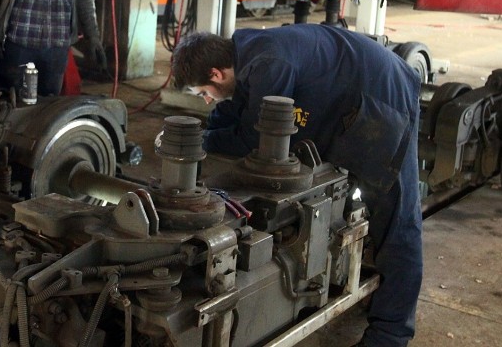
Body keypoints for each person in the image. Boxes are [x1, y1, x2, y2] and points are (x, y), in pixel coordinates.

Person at [171, 24, 423, 347]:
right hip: (351, 101)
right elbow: (235, 110)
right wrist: (201, 139)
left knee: (398, 223)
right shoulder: (245, 53)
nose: (206, 101)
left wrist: (201, 141)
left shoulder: (269, 63)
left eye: (202, 93)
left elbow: (253, 137)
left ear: (217, 74)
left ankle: (390, 335)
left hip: (384, 98)